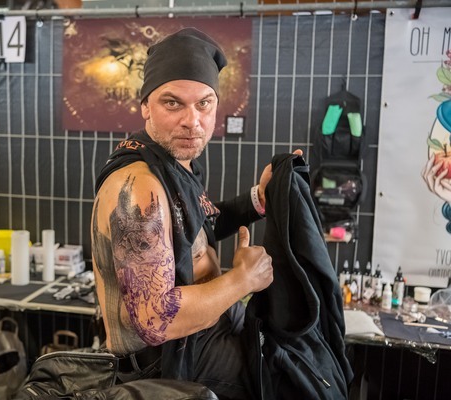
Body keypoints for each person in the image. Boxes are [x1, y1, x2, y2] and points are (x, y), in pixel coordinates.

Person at [91, 28, 301, 399]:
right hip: (164, 369)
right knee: (292, 386)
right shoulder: (139, 188)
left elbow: (197, 229)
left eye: (204, 104)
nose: (192, 121)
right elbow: (155, 320)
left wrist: (259, 199)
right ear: (145, 107)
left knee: (305, 361)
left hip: (203, 339)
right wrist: (243, 280)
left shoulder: (175, 164)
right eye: (173, 103)